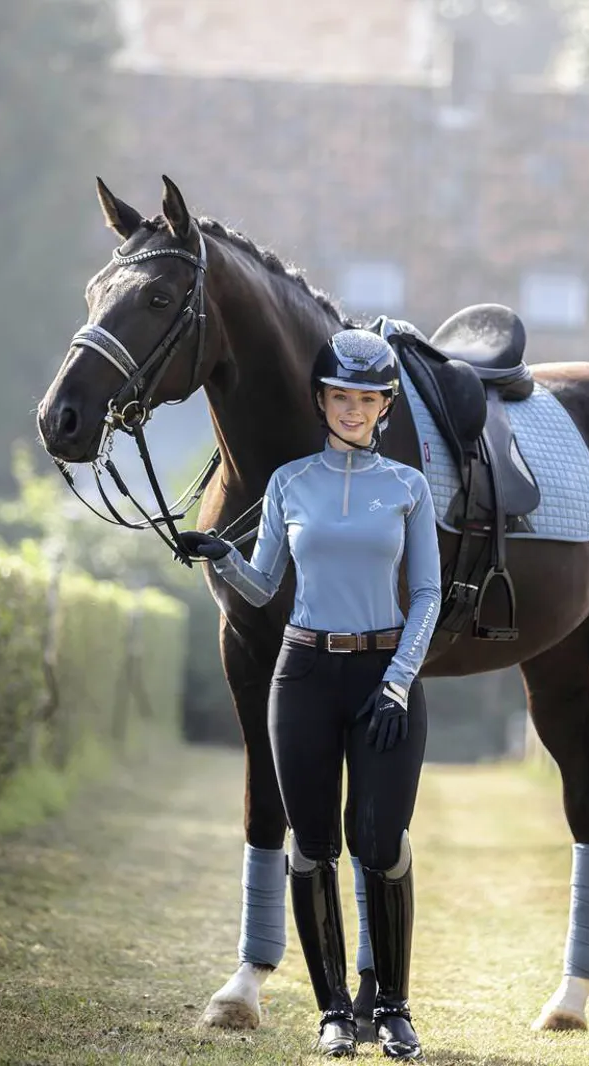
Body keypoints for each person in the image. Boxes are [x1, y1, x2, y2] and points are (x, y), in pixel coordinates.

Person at [179, 329, 441, 1060]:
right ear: (320, 400)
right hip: (302, 676)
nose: (353, 409)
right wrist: (221, 555)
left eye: (367, 398)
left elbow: (427, 594)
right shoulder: (289, 484)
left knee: (381, 843)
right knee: (313, 844)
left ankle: (392, 1008)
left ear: (384, 406)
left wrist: (398, 682)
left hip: (384, 674)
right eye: (340, 396)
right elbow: (265, 585)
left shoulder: (409, 488)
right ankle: (333, 1013)